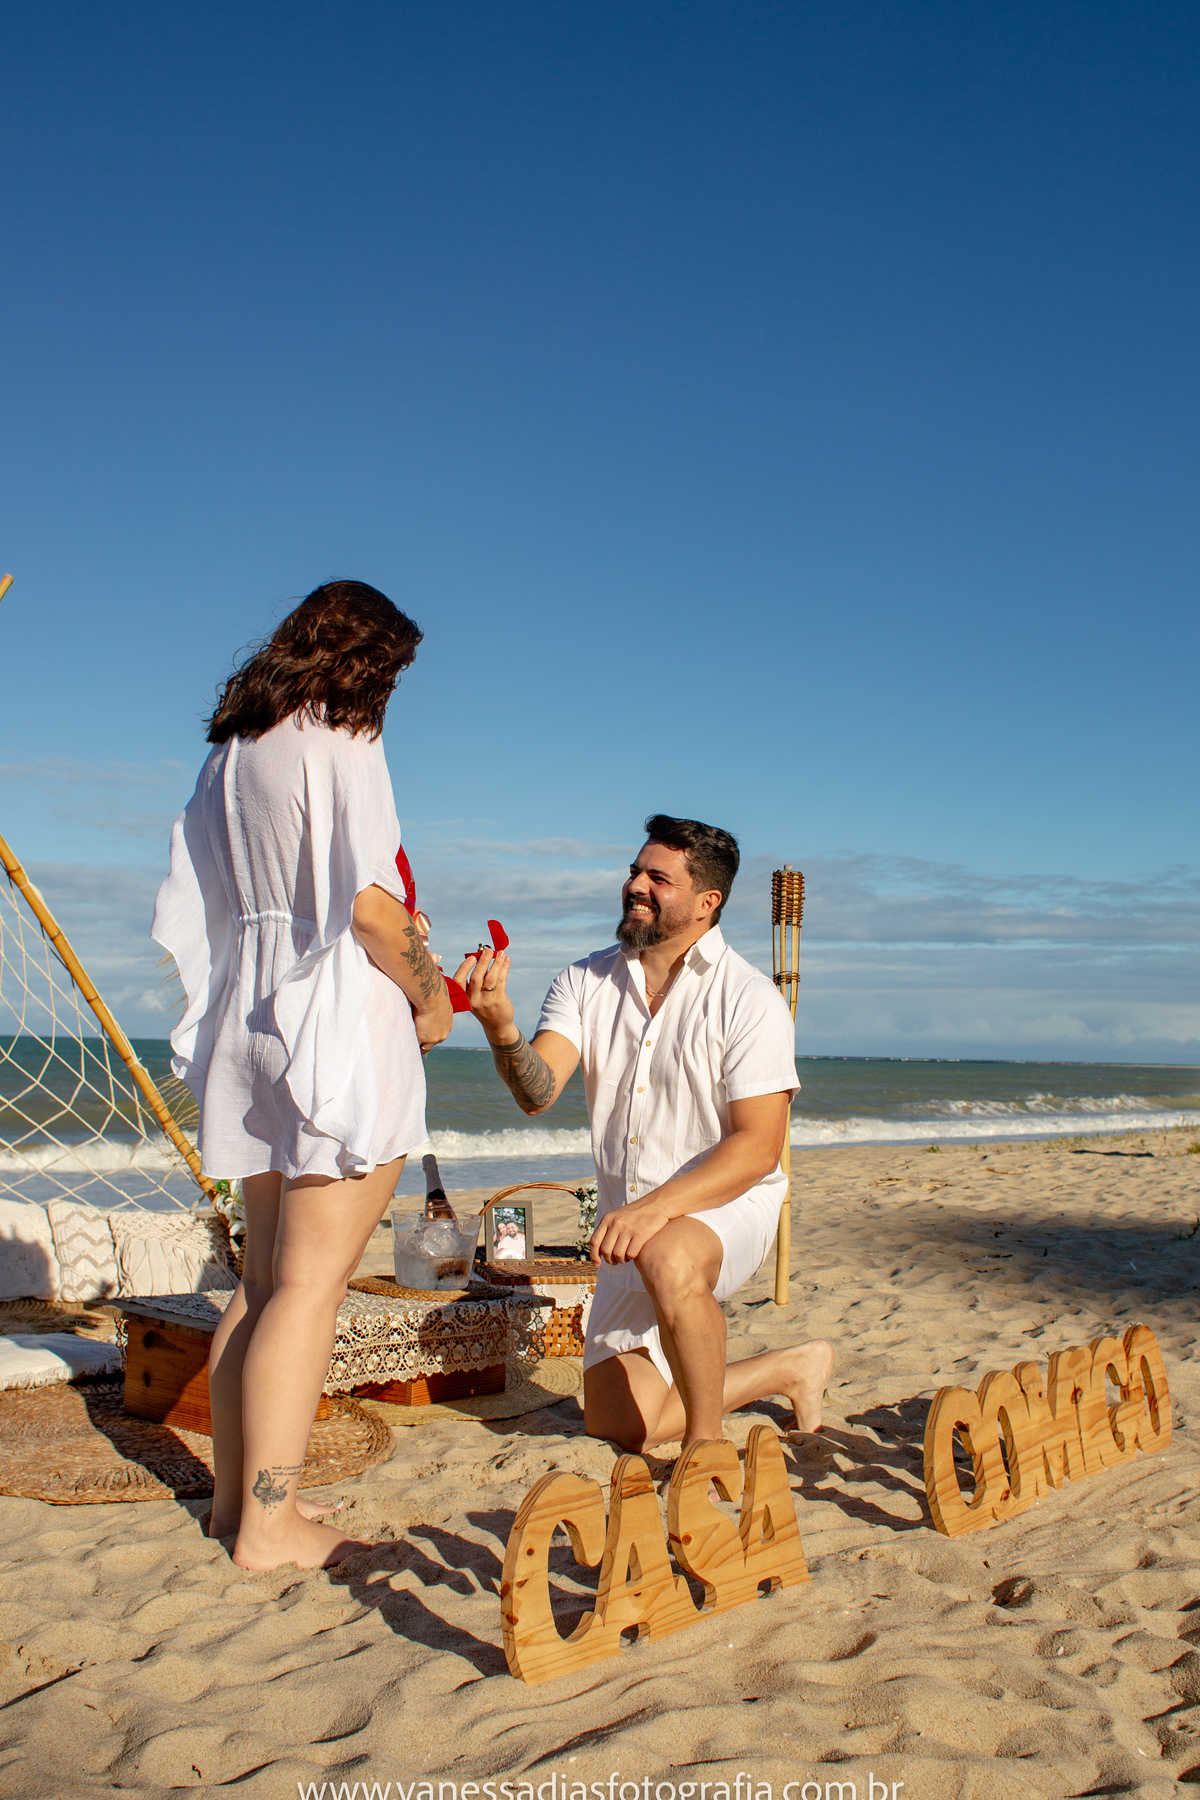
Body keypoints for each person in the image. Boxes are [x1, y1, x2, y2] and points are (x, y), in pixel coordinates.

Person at [153, 580, 452, 1569]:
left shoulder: (232, 752)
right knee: (311, 1289)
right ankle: (273, 1523)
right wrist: (430, 994)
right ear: (372, 661)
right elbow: (369, 906)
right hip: (331, 1020)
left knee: (265, 1281)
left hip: (253, 1013)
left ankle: (235, 1508)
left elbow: (207, 903)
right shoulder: (341, 737)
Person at [455, 815, 833, 1454]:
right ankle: (788, 1368)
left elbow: (757, 1147)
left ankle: (705, 1451)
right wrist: (500, 1027)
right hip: (629, 1222)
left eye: (658, 877)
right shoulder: (584, 980)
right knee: (617, 1424)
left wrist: (656, 1210)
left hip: (724, 1203)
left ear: (707, 901)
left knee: (669, 1255)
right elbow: (538, 1092)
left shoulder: (749, 998)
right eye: (635, 870)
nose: (635, 884)